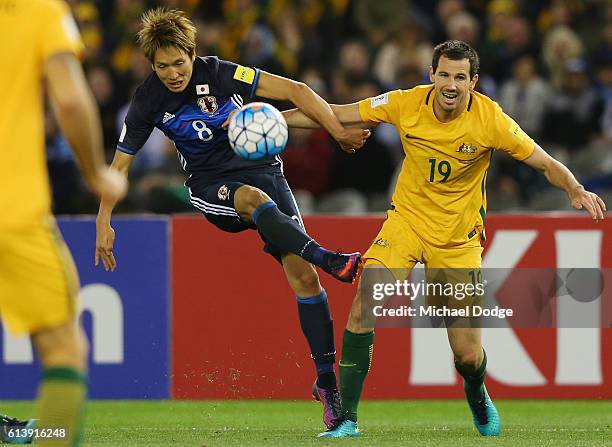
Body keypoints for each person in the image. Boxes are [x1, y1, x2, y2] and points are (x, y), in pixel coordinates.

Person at [283, 40, 607, 438]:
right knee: (364, 306)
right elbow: (335, 113)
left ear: (473, 81)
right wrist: (274, 118)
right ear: (431, 75)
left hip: (457, 240)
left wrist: (574, 188)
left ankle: (476, 390)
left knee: (467, 355)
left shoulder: (491, 119)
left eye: (460, 77)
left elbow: (542, 161)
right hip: (406, 223)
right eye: (444, 75)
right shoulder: (405, 103)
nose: (450, 85)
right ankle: (346, 419)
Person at [94, 7, 370, 430]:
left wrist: (335, 130)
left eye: (178, 62)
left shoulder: (219, 73)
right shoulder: (147, 100)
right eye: (162, 65)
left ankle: (326, 384)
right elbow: (119, 166)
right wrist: (103, 220)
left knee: (305, 281)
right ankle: (327, 256)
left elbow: (296, 91)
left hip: (262, 168)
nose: (172, 73)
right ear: (152, 65)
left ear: (192, 53)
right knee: (255, 202)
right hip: (210, 185)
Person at [0, 1, 127, 446]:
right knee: (64, 351)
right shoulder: (37, 11)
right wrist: (96, 173)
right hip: (10, 209)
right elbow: (71, 98)